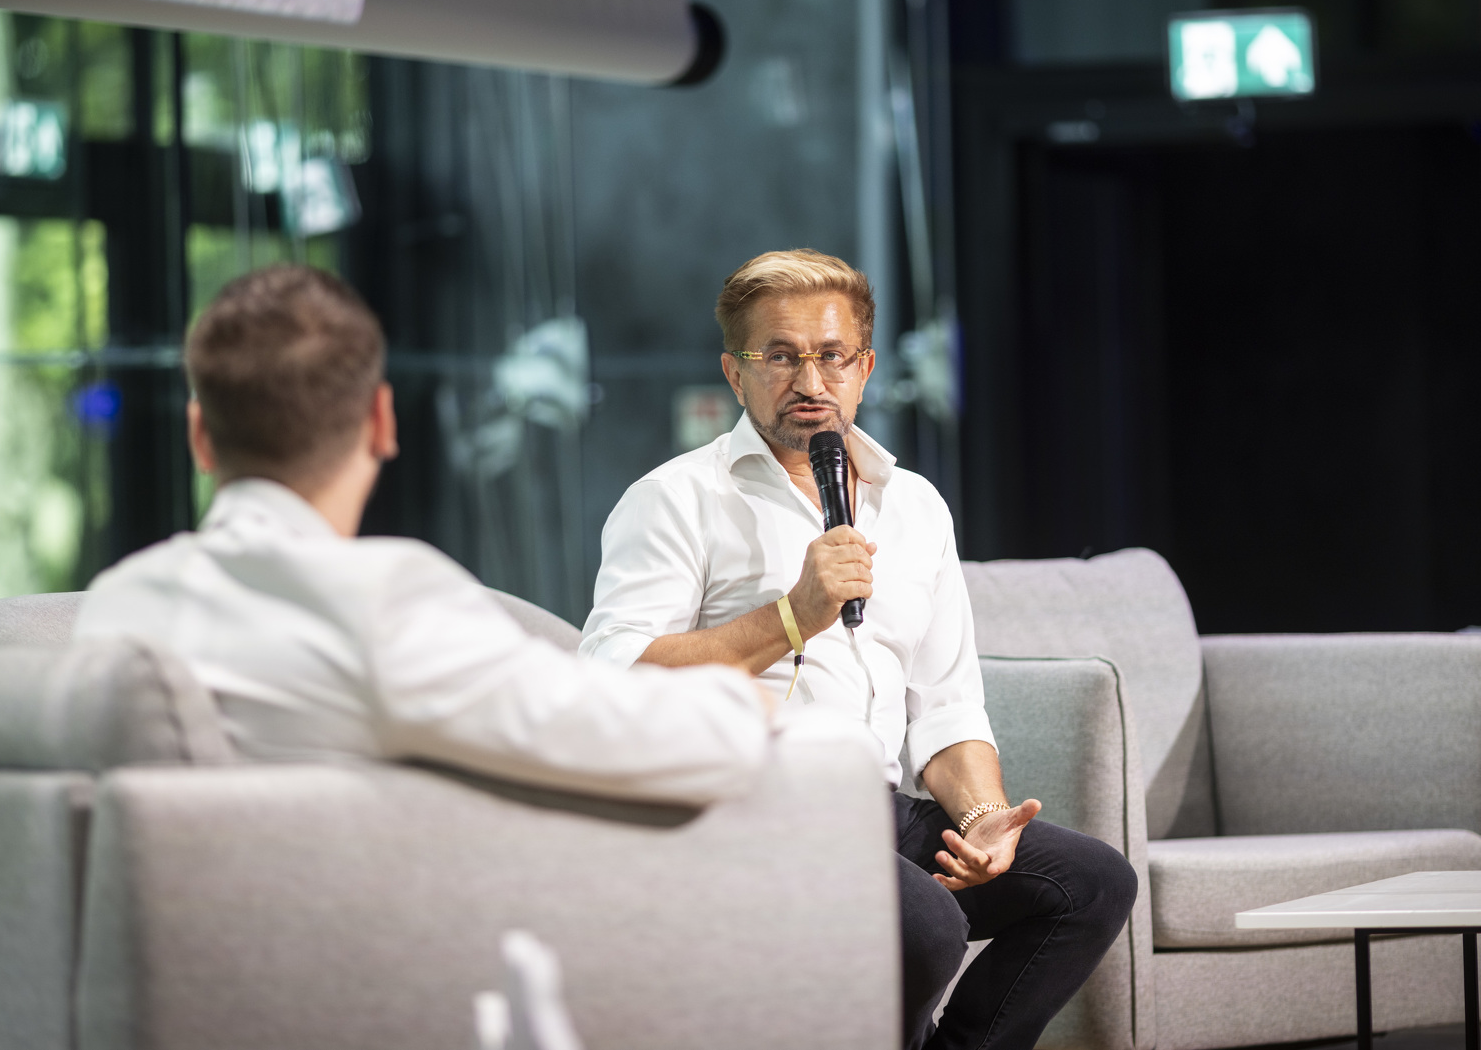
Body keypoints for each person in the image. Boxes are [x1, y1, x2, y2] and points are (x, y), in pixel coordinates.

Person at [581, 248, 1138, 1050]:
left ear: (865, 367)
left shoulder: (915, 507)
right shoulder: (674, 499)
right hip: (744, 811)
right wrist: (793, 615)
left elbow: (945, 704)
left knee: (1090, 883)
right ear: (735, 373)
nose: (810, 380)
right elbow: (610, 681)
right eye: (780, 356)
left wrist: (983, 818)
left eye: (832, 355)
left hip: (874, 809)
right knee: (925, 924)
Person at [76, 264, 769, 806]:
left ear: (200, 435)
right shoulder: (384, 605)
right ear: (382, 422)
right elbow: (652, 741)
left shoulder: (117, 604)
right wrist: (748, 697)